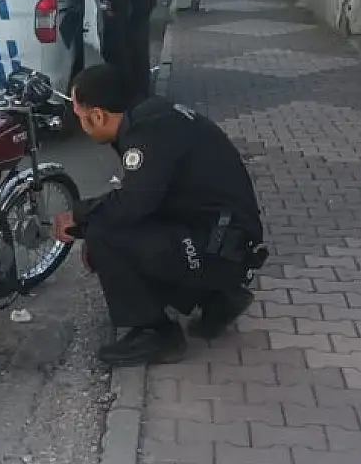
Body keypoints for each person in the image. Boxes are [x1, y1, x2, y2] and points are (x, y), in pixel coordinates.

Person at [53, 65, 268, 367]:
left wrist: (82, 216)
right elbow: (148, 196)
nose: (82, 126)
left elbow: (133, 204)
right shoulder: (152, 116)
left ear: (98, 115)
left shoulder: (147, 133)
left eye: (80, 116)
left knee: (103, 232)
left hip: (217, 247)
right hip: (227, 242)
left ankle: (156, 333)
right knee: (111, 224)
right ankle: (217, 298)